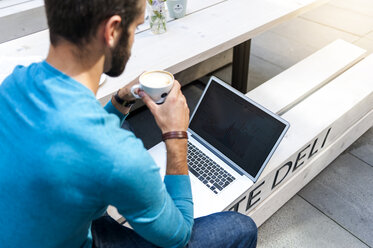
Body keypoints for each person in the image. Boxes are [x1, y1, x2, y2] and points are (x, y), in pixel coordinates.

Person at [0, 0, 257, 247]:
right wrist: (176, 136)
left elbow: (80, 144)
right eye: (135, 27)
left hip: (42, 220)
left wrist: (121, 99)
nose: (132, 40)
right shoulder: (115, 152)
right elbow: (178, 236)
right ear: (112, 31)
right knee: (240, 228)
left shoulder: (12, 84)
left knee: (119, 139)